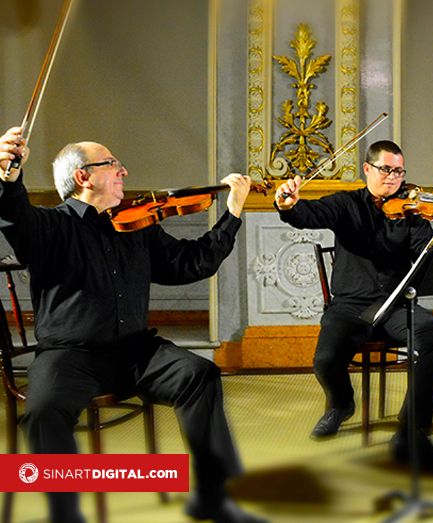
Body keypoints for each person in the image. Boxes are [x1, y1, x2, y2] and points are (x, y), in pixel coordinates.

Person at [0, 126, 268, 523]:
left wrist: (232, 212)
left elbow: (192, 262)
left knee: (201, 374)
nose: (123, 171)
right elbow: (13, 212)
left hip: (136, 351)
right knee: (43, 411)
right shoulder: (49, 227)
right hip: (70, 356)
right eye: (112, 165)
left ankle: (215, 499)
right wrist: (8, 173)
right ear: (83, 177)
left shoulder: (137, 227)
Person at [274, 140, 433, 465]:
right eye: (386, 170)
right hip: (349, 307)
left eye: (399, 171)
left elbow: (428, 259)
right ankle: (341, 404)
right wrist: (288, 205)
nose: (393, 177)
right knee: (325, 361)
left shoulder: (412, 213)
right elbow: (307, 214)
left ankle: (412, 431)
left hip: (396, 304)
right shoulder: (346, 204)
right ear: (368, 169)